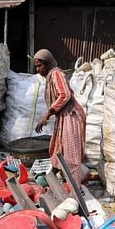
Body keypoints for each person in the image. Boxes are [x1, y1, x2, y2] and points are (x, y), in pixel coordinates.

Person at [33, 49, 87, 184]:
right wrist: (44, 119)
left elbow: (65, 95)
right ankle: (62, 180)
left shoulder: (56, 73)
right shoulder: (51, 75)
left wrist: (49, 112)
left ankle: (75, 189)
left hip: (71, 116)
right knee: (59, 148)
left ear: (48, 63)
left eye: (40, 66)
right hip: (64, 116)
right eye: (36, 67)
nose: (37, 69)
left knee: (70, 154)